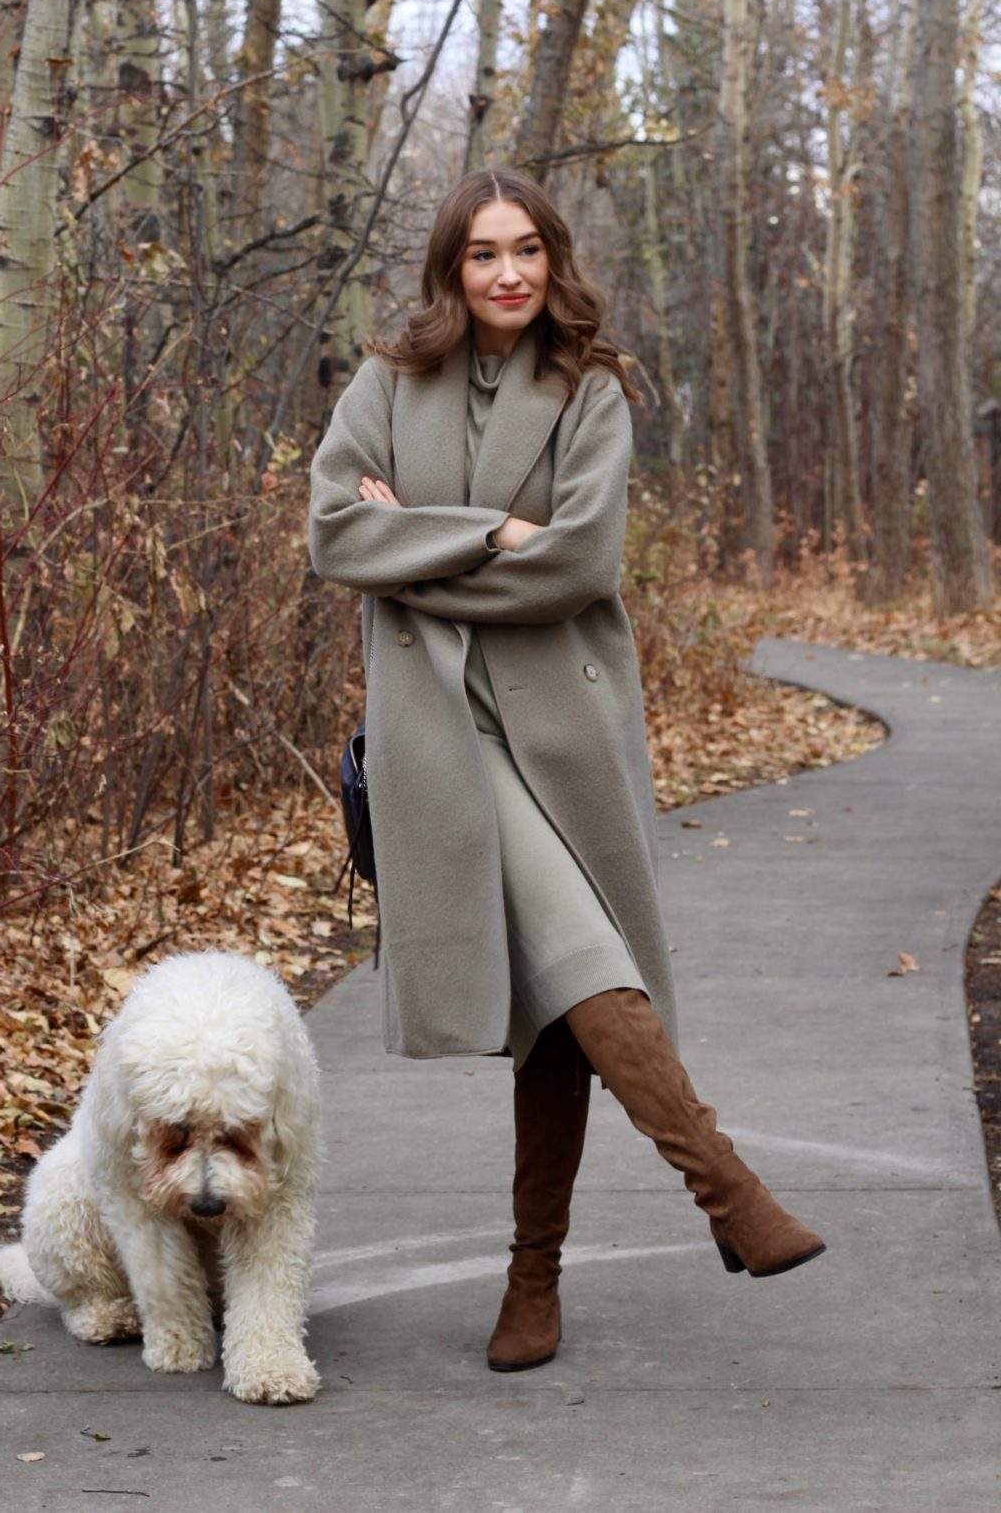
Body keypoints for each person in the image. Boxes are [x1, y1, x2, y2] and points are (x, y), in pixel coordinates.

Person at [307, 168, 826, 1374]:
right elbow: (338, 535)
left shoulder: (590, 393)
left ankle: (530, 1275)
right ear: (451, 269)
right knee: (589, 962)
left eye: (526, 250)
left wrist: (415, 542)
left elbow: (583, 565)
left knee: (561, 1013)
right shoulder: (386, 384)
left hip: (567, 729)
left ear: (554, 261)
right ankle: (726, 1193)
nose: (507, 274)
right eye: (482, 253)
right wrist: (490, 529)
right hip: (443, 733)